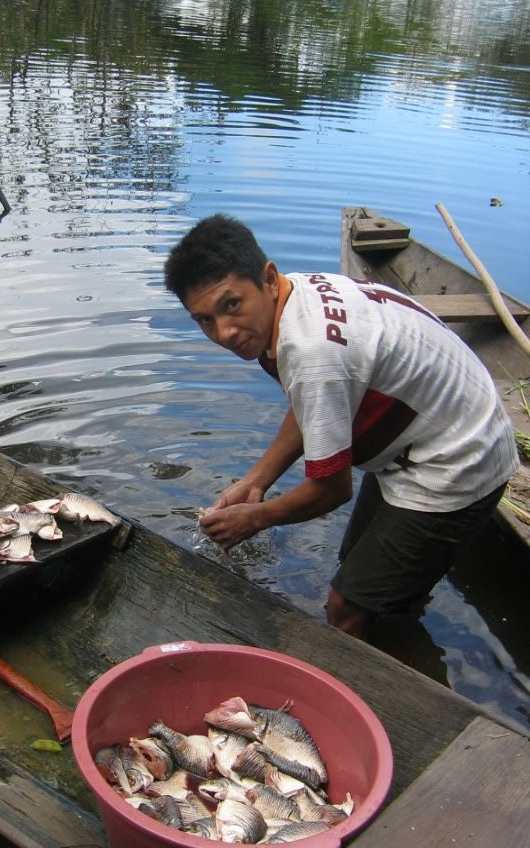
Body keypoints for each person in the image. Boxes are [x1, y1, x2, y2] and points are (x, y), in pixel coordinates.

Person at [163, 213, 519, 640]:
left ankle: (369, 694)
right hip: (435, 429)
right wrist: (255, 481)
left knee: (346, 606)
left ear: (269, 279)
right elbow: (311, 402)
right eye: (205, 320)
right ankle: (404, 637)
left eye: (232, 305)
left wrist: (255, 518)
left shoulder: (312, 351)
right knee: (355, 565)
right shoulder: (296, 296)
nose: (225, 332)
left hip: (459, 457)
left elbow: (332, 490)